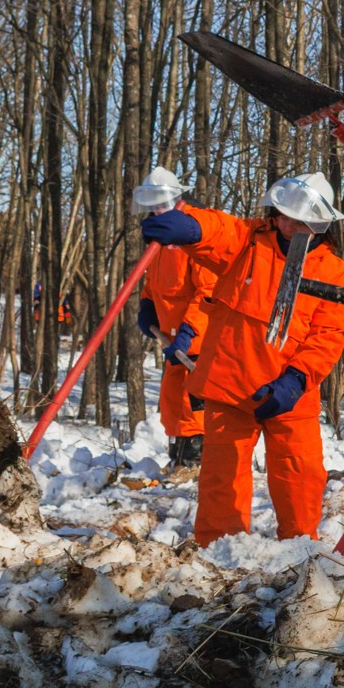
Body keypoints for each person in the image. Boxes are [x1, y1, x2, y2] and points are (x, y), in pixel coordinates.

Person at [139, 171, 344, 544]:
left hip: (290, 394)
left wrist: (296, 379)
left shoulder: (333, 272)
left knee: (299, 475)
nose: (290, 225)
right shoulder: (249, 241)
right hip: (230, 384)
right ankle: (219, 547)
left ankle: (300, 547)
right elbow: (218, 231)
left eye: (301, 220)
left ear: (321, 223)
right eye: (285, 216)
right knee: (222, 476)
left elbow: (328, 336)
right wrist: (191, 226)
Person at [132, 167, 215, 471]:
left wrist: (189, 331)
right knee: (172, 402)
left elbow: (208, 292)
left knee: (195, 406)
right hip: (172, 339)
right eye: (151, 205)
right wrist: (147, 306)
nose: (157, 211)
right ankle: (180, 460)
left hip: (199, 341)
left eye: (161, 204)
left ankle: (198, 463)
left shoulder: (194, 233)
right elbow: (152, 281)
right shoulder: (161, 238)